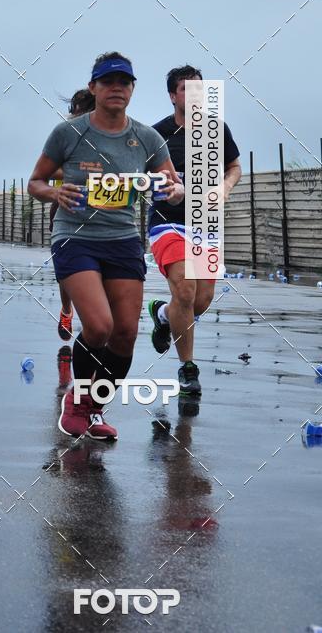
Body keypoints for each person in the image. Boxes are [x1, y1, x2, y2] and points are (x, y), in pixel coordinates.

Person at [28, 52, 183, 441]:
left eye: (124, 82)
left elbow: (173, 188)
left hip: (122, 240)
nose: (117, 87)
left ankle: (95, 408)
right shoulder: (69, 134)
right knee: (99, 326)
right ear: (94, 88)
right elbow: (35, 183)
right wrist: (54, 193)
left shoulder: (147, 138)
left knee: (126, 333)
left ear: (132, 90)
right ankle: (76, 401)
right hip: (75, 237)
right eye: (108, 81)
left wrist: (174, 190)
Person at [147, 65, 241, 397]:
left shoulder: (216, 130)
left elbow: (234, 167)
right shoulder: (155, 135)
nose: (196, 95)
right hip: (167, 222)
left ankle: (161, 313)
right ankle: (188, 369)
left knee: (200, 301)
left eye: (200, 88)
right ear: (173, 96)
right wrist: (159, 184)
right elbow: (136, 175)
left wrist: (226, 187)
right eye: (187, 89)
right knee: (185, 292)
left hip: (204, 224)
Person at [50, 88, 95, 342]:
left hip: (101, 211)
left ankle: (94, 318)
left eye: (84, 109)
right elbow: (48, 170)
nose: (79, 114)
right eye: (76, 110)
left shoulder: (108, 133)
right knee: (65, 270)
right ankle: (67, 310)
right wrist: (77, 173)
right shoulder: (65, 135)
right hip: (65, 206)